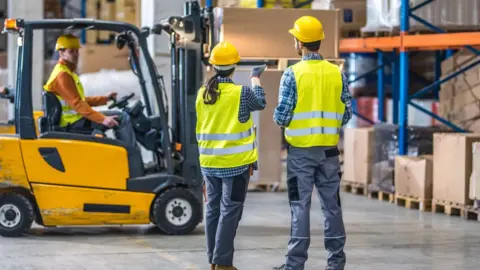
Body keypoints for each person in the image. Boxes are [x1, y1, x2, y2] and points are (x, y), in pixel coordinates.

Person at [272, 16, 353, 270]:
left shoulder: (292, 74)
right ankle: (336, 263)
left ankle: (295, 265)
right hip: (330, 153)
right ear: (320, 41)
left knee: (300, 206)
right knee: (332, 206)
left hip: (301, 154)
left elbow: (282, 116)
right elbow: (347, 114)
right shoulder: (336, 73)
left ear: (299, 42)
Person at [195, 41, 267, 270]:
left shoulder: (202, 94)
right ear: (235, 66)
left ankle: (213, 262)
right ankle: (223, 263)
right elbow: (261, 102)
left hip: (209, 162)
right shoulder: (241, 93)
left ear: (213, 66)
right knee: (230, 211)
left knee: (213, 210)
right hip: (236, 165)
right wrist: (256, 77)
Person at [43, 34, 139, 150]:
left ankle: (125, 153)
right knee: (122, 117)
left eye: (77, 51)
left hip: (76, 119)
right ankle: (130, 156)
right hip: (73, 124)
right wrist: (103, 119)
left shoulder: (67, 72)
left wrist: (105, 99)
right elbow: (78, 104)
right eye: (71, 51)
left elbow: (80, 100)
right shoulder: (63, 75)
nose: (76, 55)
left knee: (118, 116)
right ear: (61, 53)